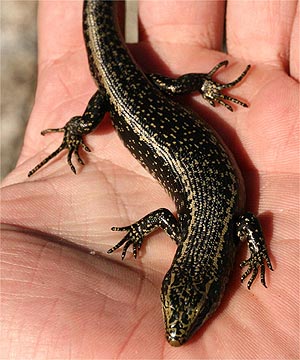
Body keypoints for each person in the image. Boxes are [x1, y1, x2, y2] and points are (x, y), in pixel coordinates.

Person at [1, 1, 298, 358]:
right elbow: (247, 222)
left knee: (162, 91)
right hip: (125, 96)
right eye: (194, 314)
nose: (175, 333)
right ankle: (80, 127)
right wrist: (259, 252)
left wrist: (253, 251)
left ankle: (190, 88)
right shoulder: (191, 236)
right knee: (152, 95)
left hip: (136, 97)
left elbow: (226, 222)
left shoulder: (206, 237)